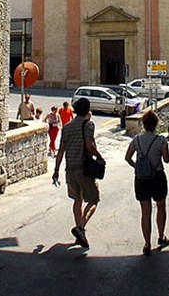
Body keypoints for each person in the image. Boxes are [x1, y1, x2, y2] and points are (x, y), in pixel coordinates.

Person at [52, 98, 104, 249]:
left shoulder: (67, 127)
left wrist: (56, 170)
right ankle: (80, 227)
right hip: (84, 168)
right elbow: (89, 145)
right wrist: (99, 156)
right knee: (94, 199)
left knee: (77, 199)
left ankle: (80, 236)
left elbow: (61, 151)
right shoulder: (88, 124)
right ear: (87, 110)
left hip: (70, 169)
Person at [125, 109, 169, 255]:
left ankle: (147, 243)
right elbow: (166, 159)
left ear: (143, 124)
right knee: (161, 206)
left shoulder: (136, 139)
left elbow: (128, 157)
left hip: (141, 179)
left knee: (145, 212)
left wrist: (138, 167)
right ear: (156, 124)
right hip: (157, 176)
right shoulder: (161, 140)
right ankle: (161, 236)